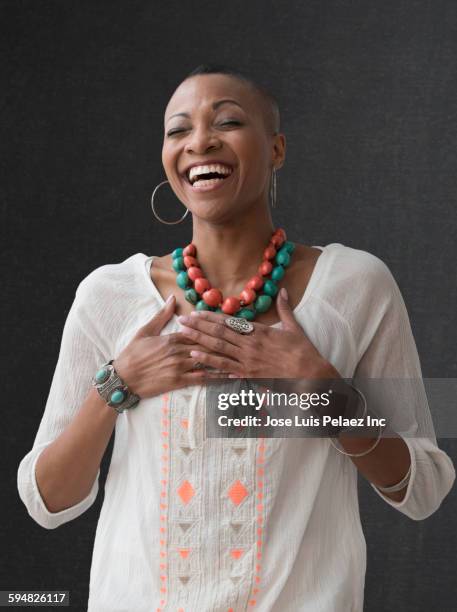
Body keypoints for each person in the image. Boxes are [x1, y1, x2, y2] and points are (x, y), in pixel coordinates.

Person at [17, 63, 455, 612]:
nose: (200, 141)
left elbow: (425, 487)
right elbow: (48, 499)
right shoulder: (109, 296)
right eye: (179, 130)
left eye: (227, 121)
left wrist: (327, 395)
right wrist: (118, 384)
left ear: (276, 150)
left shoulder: (355, 286)